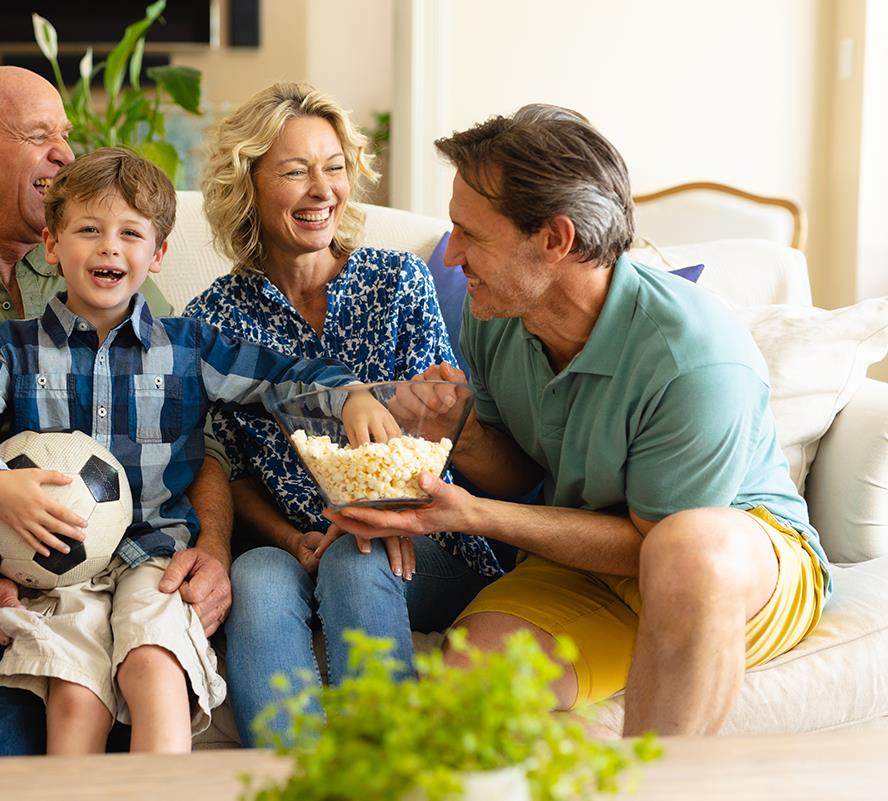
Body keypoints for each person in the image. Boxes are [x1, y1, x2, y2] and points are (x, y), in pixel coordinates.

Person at [324, 104, 830, 736]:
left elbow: (655, 544)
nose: (450, 256)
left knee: (688, 546)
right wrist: (463, 434)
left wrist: (473, 514)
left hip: (739, 561)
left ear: (556, 240)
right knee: (465, 685)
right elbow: (521, 474)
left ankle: (668, 786)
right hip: (589, 562)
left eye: (470, 234)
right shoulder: (496, 317)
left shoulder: (692, 357)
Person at [0, 147, 395, 753]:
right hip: (57, 569)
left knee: (154, 668)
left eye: (130, 234)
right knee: (74, 695)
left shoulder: (187, 346)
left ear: (159, 253)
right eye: (88, 231)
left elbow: (284, 375)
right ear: (51, 244)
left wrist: (349, 393)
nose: (109, 249)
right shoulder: (10, 350)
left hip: (158, 558)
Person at [0, 66, 233, 755]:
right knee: (6, 755)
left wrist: (213, 551)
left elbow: (204, 444)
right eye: (38, 135)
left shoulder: (120, 282)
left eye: (66, 134)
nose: (64, 153)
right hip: (18, 591)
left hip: (142, 569)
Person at [182, 82, 505, 746]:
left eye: (333, 167)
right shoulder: (215, 316)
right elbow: (235, 469)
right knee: (255, 575)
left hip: (423, 531)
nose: (322, 189)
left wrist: (384, 510)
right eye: (295, 171)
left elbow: (434, 430)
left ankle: (383, 773)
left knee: (358, 558)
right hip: (290, 537)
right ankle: (290, 776)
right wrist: (289, 537)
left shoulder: (399, 282)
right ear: (249, 184)